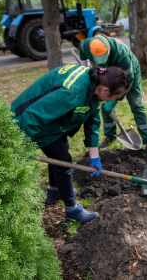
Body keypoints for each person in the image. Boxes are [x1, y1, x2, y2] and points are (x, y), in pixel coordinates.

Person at [12, 65, 129, 224]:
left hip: (54, 121)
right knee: (64, 161)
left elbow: (92, 120)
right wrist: (19, 145)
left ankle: (55, 191)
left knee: (60, 152)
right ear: (105, 90)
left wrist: (94, 156)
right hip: (29, 121)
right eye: (113, 97)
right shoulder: (72, 92)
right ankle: (72, 209)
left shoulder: (94, 85)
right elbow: (32, 117)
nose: (112, 101)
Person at [80, 34, 147, 155]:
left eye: (104, 58)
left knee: (136, 105)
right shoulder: (86, 45)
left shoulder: (121, 54)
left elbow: (128, 81)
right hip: (106, 74)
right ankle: (110, 136)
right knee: (105, 108)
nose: (102, 62)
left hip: (127, 75)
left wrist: (114, 99)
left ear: (109, 50)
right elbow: (84, 62)